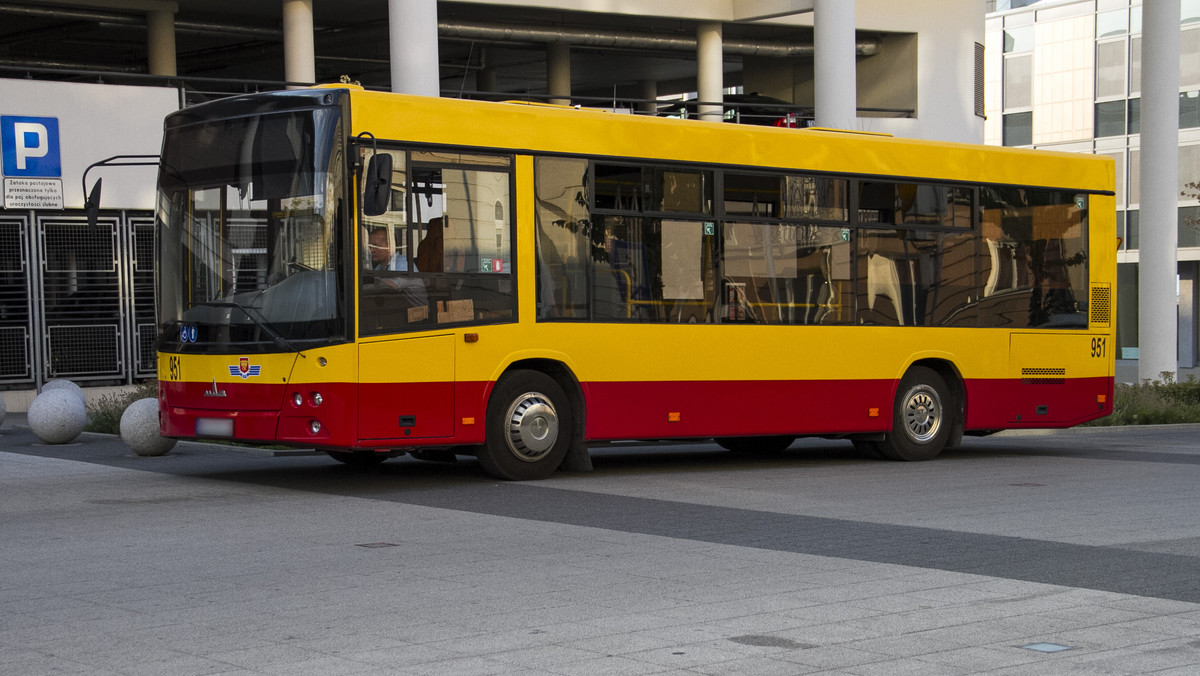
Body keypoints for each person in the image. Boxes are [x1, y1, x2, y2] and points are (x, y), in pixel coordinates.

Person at [366, 228, 427, 308]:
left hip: (418, 315)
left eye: (375, 246)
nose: (371, 250)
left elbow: (388, 288)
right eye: (370, 246)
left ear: (390, 246)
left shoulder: (403, 263)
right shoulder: (379, 267)